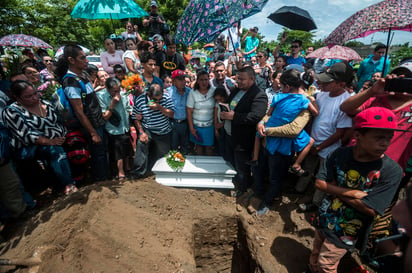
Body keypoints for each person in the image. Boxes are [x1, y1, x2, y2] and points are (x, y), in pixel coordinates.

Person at [307, 107, 403, 273]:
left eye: (389, 138)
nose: (385, 143)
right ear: (358, 135)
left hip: (348, 230)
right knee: (316, 252)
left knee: (326, 265)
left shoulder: (391, 171)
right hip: (325, 217)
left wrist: (334, 189)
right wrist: (352, 193)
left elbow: (371, 209)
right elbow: (319, 184)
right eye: (379, 137)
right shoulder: (340, 155)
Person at [252, 69, 318, 215]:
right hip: (271, 143)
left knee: (275, 177)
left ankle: (267, 201)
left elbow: (289, 128)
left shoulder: (279, 98)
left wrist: (265, 127)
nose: (280, 89)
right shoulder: (303, 101)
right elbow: (316, 112)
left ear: (287, 87)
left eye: (281, 86)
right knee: (266, 173)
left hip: (276, 144)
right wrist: (311, 99)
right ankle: (261, 195)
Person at [2, 80, 78, 195]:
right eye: (28, 96)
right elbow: (26, 135)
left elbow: (58, 122)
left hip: (59, 138)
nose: (34, 98)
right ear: (18, 98)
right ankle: (68, 185)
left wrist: (63, 135)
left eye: (35, 93)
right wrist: (50, 141)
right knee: (56, 152)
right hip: (34, 147)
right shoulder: (12, 111)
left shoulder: (45, 103)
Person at [296, 63, 354, 212]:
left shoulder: (346, 102)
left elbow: (340, 133)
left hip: (329, 148)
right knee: (308, 167)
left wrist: (320, 147)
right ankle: (299, 190)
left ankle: (315, 202)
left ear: (341, 84)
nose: (322, 84)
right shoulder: (322, 95)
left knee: (323, 176)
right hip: (313, 142)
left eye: (328, 82)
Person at [55, 44, 108, 182]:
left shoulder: (82, 76)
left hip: (97, 121)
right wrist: (93, 133)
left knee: (102, 153)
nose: (86, 60)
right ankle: (100, 181)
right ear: (71, 60)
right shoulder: (70, 81)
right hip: (90, 125)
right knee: (98, 154)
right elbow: (79, 111)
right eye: (82, 58)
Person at [220, 66, 267, 196]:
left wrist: (234, 116)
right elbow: (230, 106)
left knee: (242, 167)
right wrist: (224, 113)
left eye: (242, 79)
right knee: (231, 162)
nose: (238, 81)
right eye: (237, 78)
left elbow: (255, 116)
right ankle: (235, 182)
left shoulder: (259, 95)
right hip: (229, 134)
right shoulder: (237, 90)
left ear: (252, 79)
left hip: (243, 139)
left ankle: (243, 188)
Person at [130, 83, 174, 177]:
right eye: (155, 99)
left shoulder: (166, 97)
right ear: (148, 95)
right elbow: (135, 117)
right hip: (147, 129)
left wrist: (159, 107)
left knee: (162, 156)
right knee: (141, 146)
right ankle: (138, 173)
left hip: (163, 130)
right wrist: (141, 132)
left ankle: (159, 173)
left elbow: (171, 114)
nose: (158, 101)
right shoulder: (140, 99)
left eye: (159, 99)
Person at [96, 78, 133, 181]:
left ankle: (127, 168)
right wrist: (112, 104)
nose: (117, 93)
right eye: (114, 91)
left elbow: (128, 108)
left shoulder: (124, 95)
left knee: (126, 148)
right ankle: (120, 172)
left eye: (118, 90)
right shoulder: (101, 96)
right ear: (107, 89)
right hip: (113, 129)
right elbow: (104, 117)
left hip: (124, 127)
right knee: (117, 151)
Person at [187, 70, 216, 156]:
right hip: (197, 126)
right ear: (198, 81)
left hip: (210, 126)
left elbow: (216, 109)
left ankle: (209, 168)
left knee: (209, 148)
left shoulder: (213, 91)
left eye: (206, 79)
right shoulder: (193, 93)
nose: (204, 82)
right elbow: (189, 111)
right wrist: (191, 128)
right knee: (199, 146)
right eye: (201, 80)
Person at [167, 70, 191, 155]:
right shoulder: (168, 92)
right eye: (180, 79)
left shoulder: (189, 92)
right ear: (173, 81)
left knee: (185, 146)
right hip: (173, 123)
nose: (183, 81)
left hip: (185, 123)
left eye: (183, 78)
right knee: (173, 147)